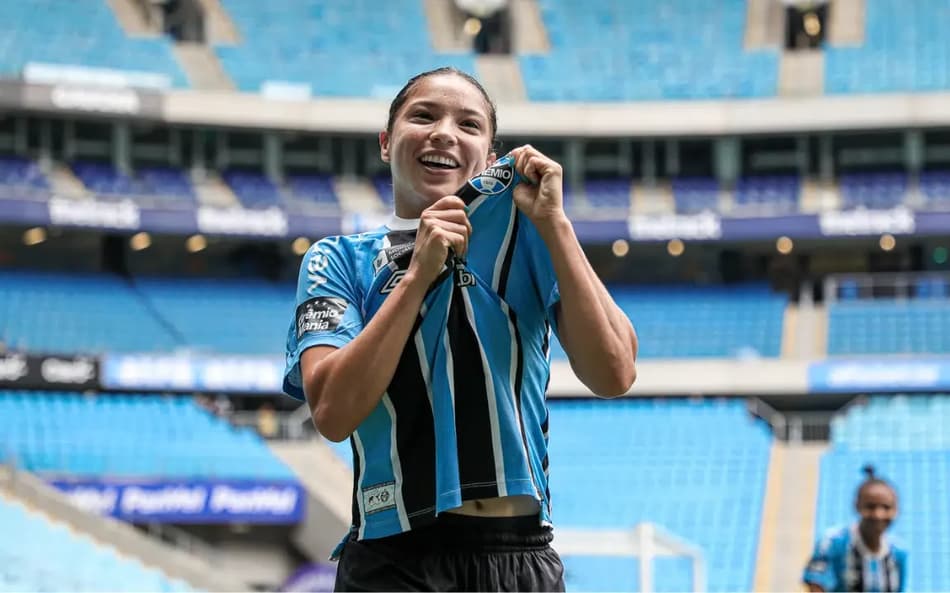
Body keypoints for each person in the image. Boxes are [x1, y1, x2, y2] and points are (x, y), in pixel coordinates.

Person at [282, 66, 638, 592]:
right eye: (423, 116)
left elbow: (615, 372)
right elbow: (333, 413)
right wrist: (417, 276)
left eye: (468, 124)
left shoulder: (533, 238)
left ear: (490, 159)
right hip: (395, 560)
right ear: (386, 142)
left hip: (521, 557)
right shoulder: (335, 260)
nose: (444, 133)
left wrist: (556, 225)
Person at [803, 465, 908, 592]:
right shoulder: (833, 543)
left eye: (886, 507)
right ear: (857, 506)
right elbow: (816, 584)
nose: (878, 514)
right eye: (870, 507)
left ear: (896, 510)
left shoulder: (898, 552)